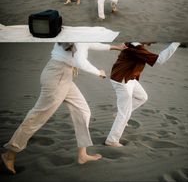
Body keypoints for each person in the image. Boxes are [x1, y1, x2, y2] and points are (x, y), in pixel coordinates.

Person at [1, 41, 126, 174]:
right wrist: (98, 72)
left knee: (83, 111)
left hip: (63, 76)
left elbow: (90, 43)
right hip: (57, 77)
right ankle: (9, 154)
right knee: (37, 117)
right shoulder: (77, 36)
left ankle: (82, 155)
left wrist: (115, 47)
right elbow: (80, 60)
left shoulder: (80, 35)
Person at [104, 41, 180, 147]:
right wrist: (175, 43)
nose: (153, 41)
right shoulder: (137, 48)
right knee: (124, 113)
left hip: (128, 78)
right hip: (122, 80)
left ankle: (117, 115)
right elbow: (160, 59)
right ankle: (112, 140)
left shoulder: (133, 44)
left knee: (142, 97)